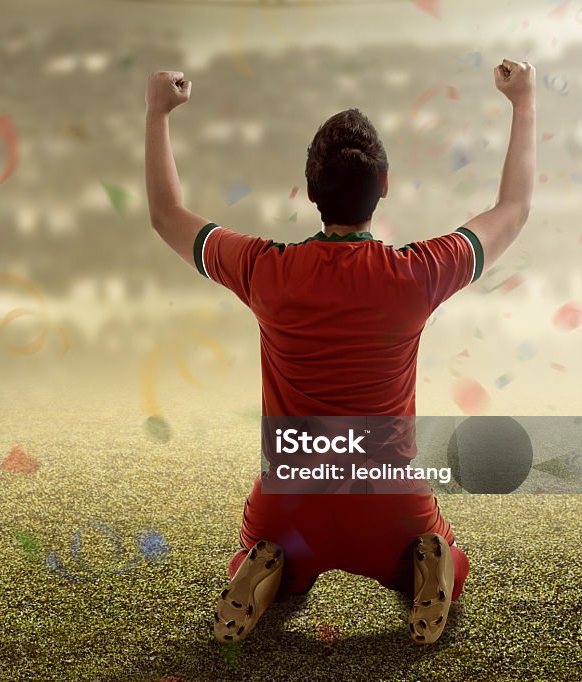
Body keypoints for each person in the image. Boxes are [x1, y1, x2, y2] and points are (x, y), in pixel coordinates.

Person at [143, 59, 536, 645]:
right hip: (391, 502)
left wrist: (157, 113)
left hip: (291, 502)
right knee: (451, 556)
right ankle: (429, 562)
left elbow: (166, 215)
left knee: (264, 549)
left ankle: (266, 562)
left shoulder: (264, 268)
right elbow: (512, 210)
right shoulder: (418, 273)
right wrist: (523, 101)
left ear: (309, 192)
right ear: (385, 185)